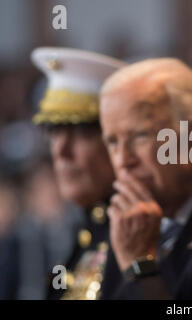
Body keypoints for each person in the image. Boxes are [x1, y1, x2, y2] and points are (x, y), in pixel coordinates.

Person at [99, 58, 192, 299]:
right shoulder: (126, 222)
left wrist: (140, 265)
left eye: (140, 136)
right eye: (113, 142)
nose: (123, 160)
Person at [31, 47, 127, 299]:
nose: (60, 150)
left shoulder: (151, 240)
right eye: (53, 130)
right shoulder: (85, 236)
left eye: (81, 130)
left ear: (118, 141)